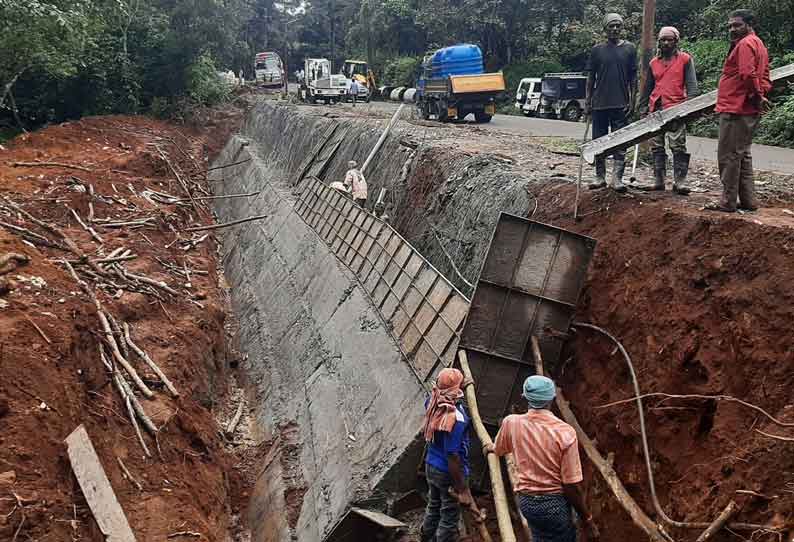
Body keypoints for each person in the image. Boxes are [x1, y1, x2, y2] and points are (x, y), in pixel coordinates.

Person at [486, 375, 599, 542]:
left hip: (527, 502)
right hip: (554, 505)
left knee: (540, 536)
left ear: (525, 397)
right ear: (552, 399)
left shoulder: (512, 423)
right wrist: (587, 519)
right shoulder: (564, 433)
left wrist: (490, 448)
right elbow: (570, 485)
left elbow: (499, 449)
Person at [707, 9, 772, 213]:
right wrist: (761, 94)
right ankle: (748, 200)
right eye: (730, 26)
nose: (732, 29)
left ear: (749, 24)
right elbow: (766, 76)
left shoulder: (745, 44)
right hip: (746, 107)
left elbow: (747, 73)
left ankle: (727, 202)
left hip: (736, 107)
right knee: (743, 154)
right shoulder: (758, 43)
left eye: (737, 25)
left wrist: (757, 95)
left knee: (729, 156)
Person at [638, 26, 699, 194]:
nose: (665, 43)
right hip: (656, 108)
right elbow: (647, 88)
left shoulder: (685, 60)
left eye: (669, 39)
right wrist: (642, 108)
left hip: (676, 108)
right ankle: (659, 181)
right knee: (656, 146)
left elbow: (692, 87)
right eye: (662, 40)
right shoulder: (654, 63)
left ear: (676, 41)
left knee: (678, 145)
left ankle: (680, 181)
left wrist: (690, 108)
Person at [586, 13, 638, 193]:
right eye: (611, 26)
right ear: (605, 29)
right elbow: (591, 77)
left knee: (620, 141)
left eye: (618, 26)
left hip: (620, 102)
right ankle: (599, 176)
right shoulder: (597, 50)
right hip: (599, 103)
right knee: (598, 141)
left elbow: (633, 77)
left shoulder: (630, 48)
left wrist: (633, 99)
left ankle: (617, 178)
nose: (615, 29)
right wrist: (587, 100)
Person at [420, 368, 473, 542]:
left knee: (433, 504)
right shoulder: (456, 418)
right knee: (449, 514)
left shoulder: (432, 401)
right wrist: (462, 489)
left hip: (430, 464)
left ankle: (426, 536)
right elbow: (453, 455)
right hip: (447, 471)